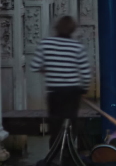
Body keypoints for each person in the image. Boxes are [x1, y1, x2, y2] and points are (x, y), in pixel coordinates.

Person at [30, 16, 91, 147]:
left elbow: (34, 66)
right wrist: (84, 89)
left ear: (57, 28)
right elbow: (86, 73)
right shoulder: (77, 47)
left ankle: (55, 151)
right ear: (72, 30)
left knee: (55, 123)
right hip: (72, 91)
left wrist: (48, 69)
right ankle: (68, 151)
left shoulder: (46, 44)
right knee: (71, 122)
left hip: (55, 91)